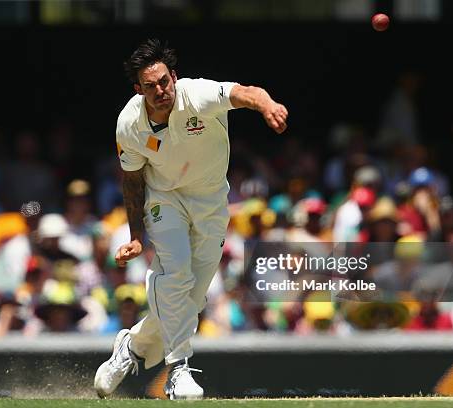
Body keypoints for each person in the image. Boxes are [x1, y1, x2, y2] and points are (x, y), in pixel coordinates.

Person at [94, 38, 288, 400]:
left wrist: (268, 106)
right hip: (164, 199)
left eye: (164, 81)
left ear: (174, 77)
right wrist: (137, 236)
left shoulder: (197, 94)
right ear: (139, 90)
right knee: (175, 272)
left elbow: (245, 92)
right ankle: (178, 369)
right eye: (150, 86)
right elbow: (133, 181)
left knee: (191, 300)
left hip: (212, 201)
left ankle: (133, 347)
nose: (160, 91)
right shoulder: (129, 124)